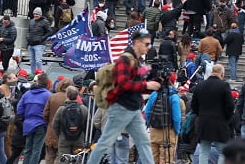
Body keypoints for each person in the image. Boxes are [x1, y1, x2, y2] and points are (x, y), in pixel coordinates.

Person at [85, 29, 161, 164]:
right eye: (146, 44)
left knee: (144, 143)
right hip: (121, 108)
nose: (148, 47)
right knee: (104, 143)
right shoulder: (125, 59)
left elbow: (133, 85)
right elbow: (123, 84)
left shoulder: (135, 60)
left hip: (132, 108)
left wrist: (151, 84)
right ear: (137, 42)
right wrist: (147, 85)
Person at [192, 64, 235, 164]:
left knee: (203, 151)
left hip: (203, 122)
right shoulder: (224, 86)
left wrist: (200, 114)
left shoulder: (200, 85)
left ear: (212, 72)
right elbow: (230, 106)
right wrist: (226, 118)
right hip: (219, 123)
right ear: (222, 74)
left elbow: (194, 105)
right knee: (222, 152)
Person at [144, 73, 183, 164]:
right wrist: (177, 131)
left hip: (154, 131)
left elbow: (147, 112)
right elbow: (176, 118)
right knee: (166, 160)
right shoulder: (174, 96)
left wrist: (151, 124)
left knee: (153, 159)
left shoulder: (154, 94)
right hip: (168, 132)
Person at [17, 73, 52, 164]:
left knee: (28, 148)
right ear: (47, 83)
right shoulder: (48, 95)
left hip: (28, 124)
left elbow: (19, 109)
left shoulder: (27, 94)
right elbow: (50, 111)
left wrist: (24, 118)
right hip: (41, 124)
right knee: (36, 149)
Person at [52, 86, 89, 164]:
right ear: (77, 95)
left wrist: (60, 134)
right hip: (79, 138)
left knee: (64, 160)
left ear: (67, 95)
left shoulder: (61, 109)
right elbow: (88, 125)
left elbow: (55, 124)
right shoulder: (84, 109)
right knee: (78, 160)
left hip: (64, 138)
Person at [43, 77, 73, 164]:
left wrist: (49, 122)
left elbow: (45, 114)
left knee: (49, 156)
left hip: (51, 131)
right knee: (60, 156)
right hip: (65, 132)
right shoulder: (71, 99)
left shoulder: (52, 97)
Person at [27, 7, 51, 73]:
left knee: (38, 61)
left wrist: (41, 39)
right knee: (32, 61)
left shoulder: (45, 22)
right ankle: (33, 74)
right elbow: (29, 31)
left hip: (39, 44)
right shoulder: (31, 21)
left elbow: (49, 32)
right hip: (31, 44)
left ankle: (40, 74)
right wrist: (28, 38)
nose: (35, 15)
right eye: (34, 14)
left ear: (40, 15)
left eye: (37, 14)